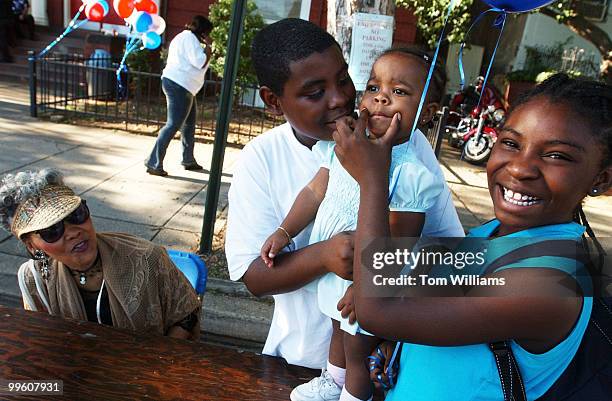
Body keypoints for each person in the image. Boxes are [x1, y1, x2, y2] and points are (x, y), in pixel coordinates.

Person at [332, 73, 612, 400]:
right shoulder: (493, 234)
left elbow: (377, 310)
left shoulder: (550, 282)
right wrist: (396, 345)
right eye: (511, 143)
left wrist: (372, 179)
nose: (522, 168)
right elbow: (418, 290)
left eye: (557, 156)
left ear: (601, 180)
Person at [225, 17, 463, 389]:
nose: (339, 99)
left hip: (381, 362)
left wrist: (380, 286)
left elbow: (452, 250)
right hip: (297, 363)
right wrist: (325, 254)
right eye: (314, 92)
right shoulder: (262, 158)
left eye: (344, 80)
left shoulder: (406, 144)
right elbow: (254, 276)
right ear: (273, 100)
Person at [0, 168, 202, 340]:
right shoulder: (33, 280)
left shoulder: (147, 258)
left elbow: (186, 314)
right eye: (51, 230)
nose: (73, 232)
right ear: (32, 246)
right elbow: (41, 341)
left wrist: (157, 364)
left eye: (76, 215)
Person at [145, 15, 213, 176]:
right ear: (203, 32)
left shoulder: (183, 37)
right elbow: (200, 61)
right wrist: (209, 46)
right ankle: (153, 162)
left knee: (189, 125)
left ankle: (188, 159)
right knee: (173, 124)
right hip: (180, 85)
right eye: (208, 33)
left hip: (183, 85)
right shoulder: (190, 39)